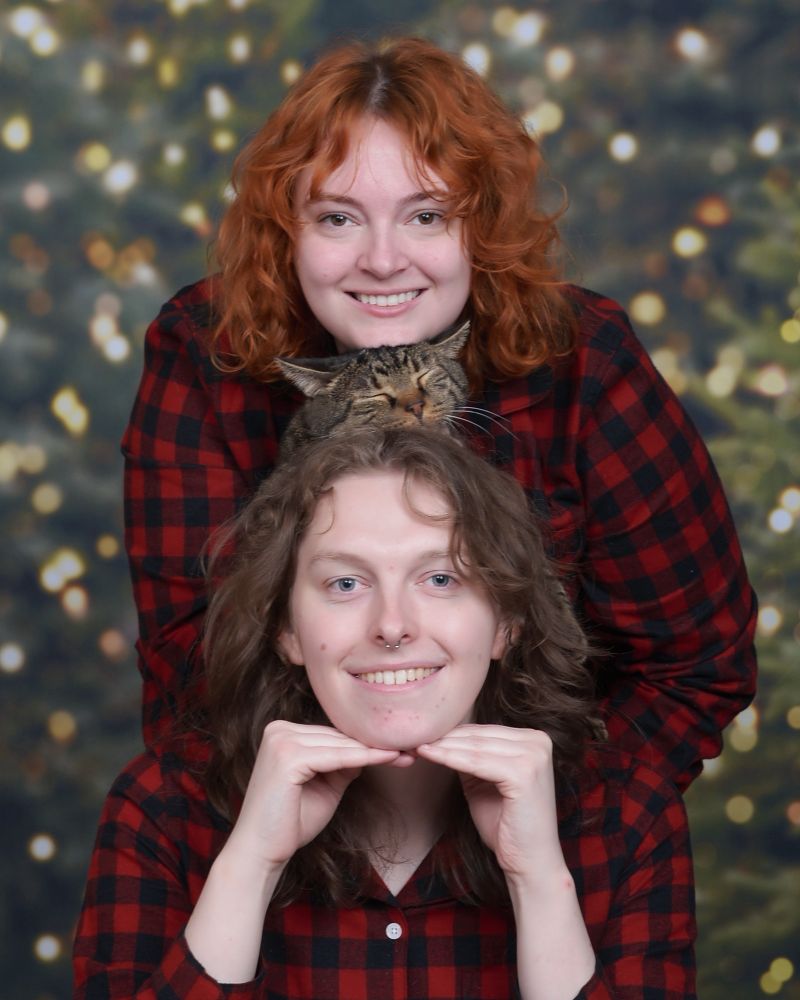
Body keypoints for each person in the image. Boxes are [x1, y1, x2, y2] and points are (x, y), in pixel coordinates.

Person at [123, 37, 756, 790]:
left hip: (545, 836)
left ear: (479, 228)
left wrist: (549, 838)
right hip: (292, 844)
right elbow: (192, 677)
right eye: (337, 219)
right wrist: (303, 845)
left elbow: (695, 663)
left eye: (426, 216)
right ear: (285, 228)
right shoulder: (207, 352)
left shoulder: (584, 359)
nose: (384, 260)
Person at [75, 428, 696, 998]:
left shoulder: (628, 816)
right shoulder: (160, 808)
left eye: (442, 579)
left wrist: (539, 883)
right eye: (346, 584)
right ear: (287, 629)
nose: (393, 626)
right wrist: (249, 865)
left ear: (507, 621)